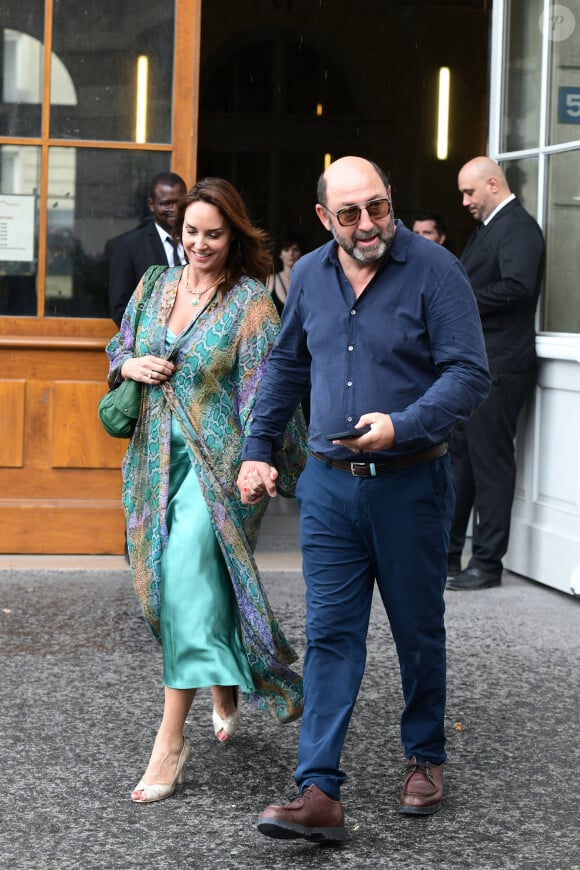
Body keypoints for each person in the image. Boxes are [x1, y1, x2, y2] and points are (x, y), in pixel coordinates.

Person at [236, 156, 491, 841]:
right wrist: (259, 447)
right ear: (325, 219)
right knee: (331, 637)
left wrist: (402, 425)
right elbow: (290, 362)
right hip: (327, 487)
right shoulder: (312, 274)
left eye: (377, 206)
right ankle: (318, 789)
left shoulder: (436, 270)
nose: (368, 223)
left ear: (389, 201)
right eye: (349, 214)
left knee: (417, 629)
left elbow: (470, 372)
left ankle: (425, 756)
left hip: (411, 483)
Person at [104, 177, 306, 805]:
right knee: (164, 586)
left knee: (190, 570)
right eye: (191, 232)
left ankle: (169, 742)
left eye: (213, 233)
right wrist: (128, 365)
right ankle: (223, 675)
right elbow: (122, 344)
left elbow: (266, 394)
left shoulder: (250, 303)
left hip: (217, 469)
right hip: (152, 462)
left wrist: (261, 462)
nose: (199, 243)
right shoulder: (154, 286)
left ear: (235, 235)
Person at [446, 156, 545, 591]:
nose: (465, 201)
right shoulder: (490, 229)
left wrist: (460, 295)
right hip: (480, 365)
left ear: (492, 183)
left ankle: (487, 564)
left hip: (502, 365)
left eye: (469, 192)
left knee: (490, 463)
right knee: (462, 461)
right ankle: (449, 556)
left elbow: (519, 288)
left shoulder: (519, 227)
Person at [107, 171, 188, 327]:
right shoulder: (129, 246)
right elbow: (121, 309)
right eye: (166, 203)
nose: (175, 209)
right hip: (150, 345)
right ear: (151, 204)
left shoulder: (198, 242)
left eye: (180, 202)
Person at [267, 232, 304, 316]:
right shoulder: (271, 281)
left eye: (295, 249)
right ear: (280, 254)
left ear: (300, 253)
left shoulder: (307, 282)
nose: (291, 254)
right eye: (286, 249)